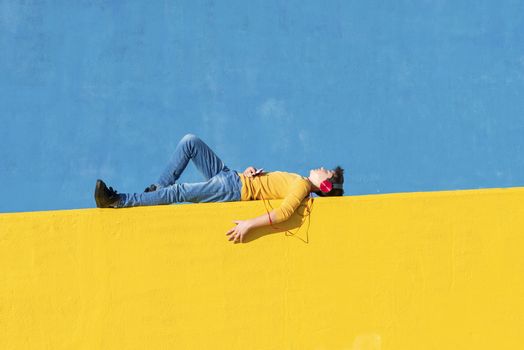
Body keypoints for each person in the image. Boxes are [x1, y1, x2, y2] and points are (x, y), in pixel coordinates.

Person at [94, 134, 344, 243]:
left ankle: (117, 200)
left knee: (178, 192)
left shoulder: (302, 185)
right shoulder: (298, 180)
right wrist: (252, 175)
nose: (322, 167)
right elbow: (269, 190)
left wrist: (248, 224)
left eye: (327, 172)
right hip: (233, 177)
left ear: (325, 184)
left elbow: (284, 213)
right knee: (190, 143)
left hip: (233, 189)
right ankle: (155, 191)